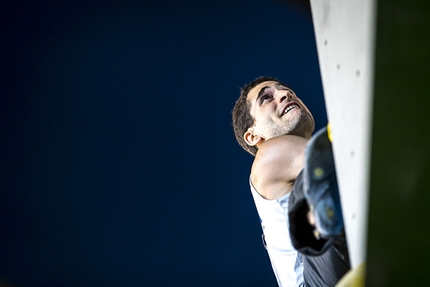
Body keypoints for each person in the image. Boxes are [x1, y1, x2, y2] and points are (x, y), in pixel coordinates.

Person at [232, 76, 350, 287]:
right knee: (312, 180)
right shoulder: (268, 158)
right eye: (267, 98)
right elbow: (347, 157)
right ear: (252, 136)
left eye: (287, 90)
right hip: (315, 282)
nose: (286, 94)